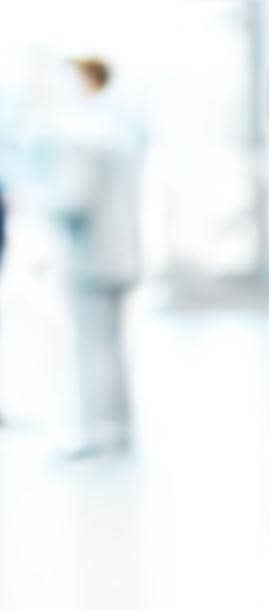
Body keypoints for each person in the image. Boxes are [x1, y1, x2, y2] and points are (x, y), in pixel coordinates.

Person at [47, 58, 145, 458]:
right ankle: (118, 427)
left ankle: (97, 431)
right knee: (114, 345)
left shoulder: (84, 133)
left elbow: (73, 200)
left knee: (94, 346)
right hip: (125, 251)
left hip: (93, 255)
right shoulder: (122, 128)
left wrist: (43, 202)